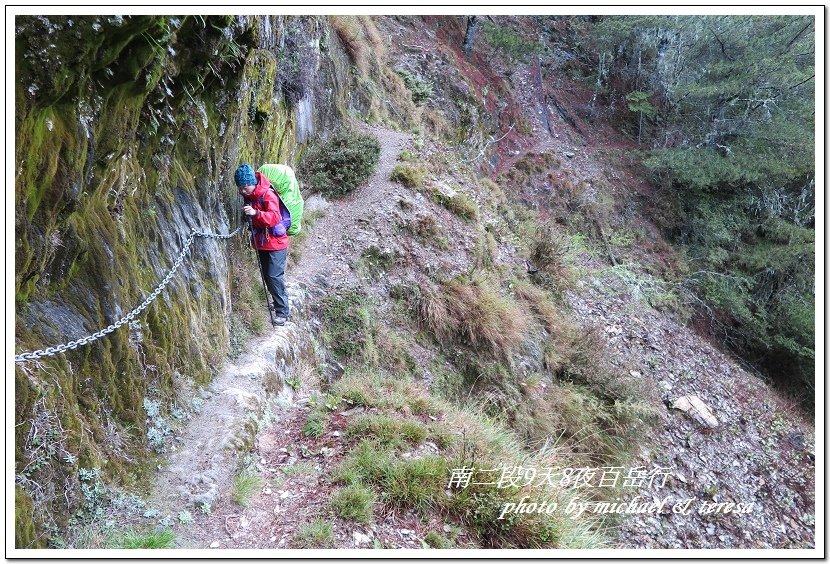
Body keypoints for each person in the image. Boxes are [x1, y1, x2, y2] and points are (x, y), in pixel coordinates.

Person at [235, 163, 290, 326]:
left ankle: (282, 311)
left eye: (245, 187)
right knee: (267, 276)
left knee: (274, 276)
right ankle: (278, 302)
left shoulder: (267, 194)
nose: (243, 191)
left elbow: (274, 217)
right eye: (240, 188)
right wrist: (247, 217)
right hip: (262, 242)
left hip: (276, 243)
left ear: (253, 182)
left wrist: (256, 213)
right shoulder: (250, 196)